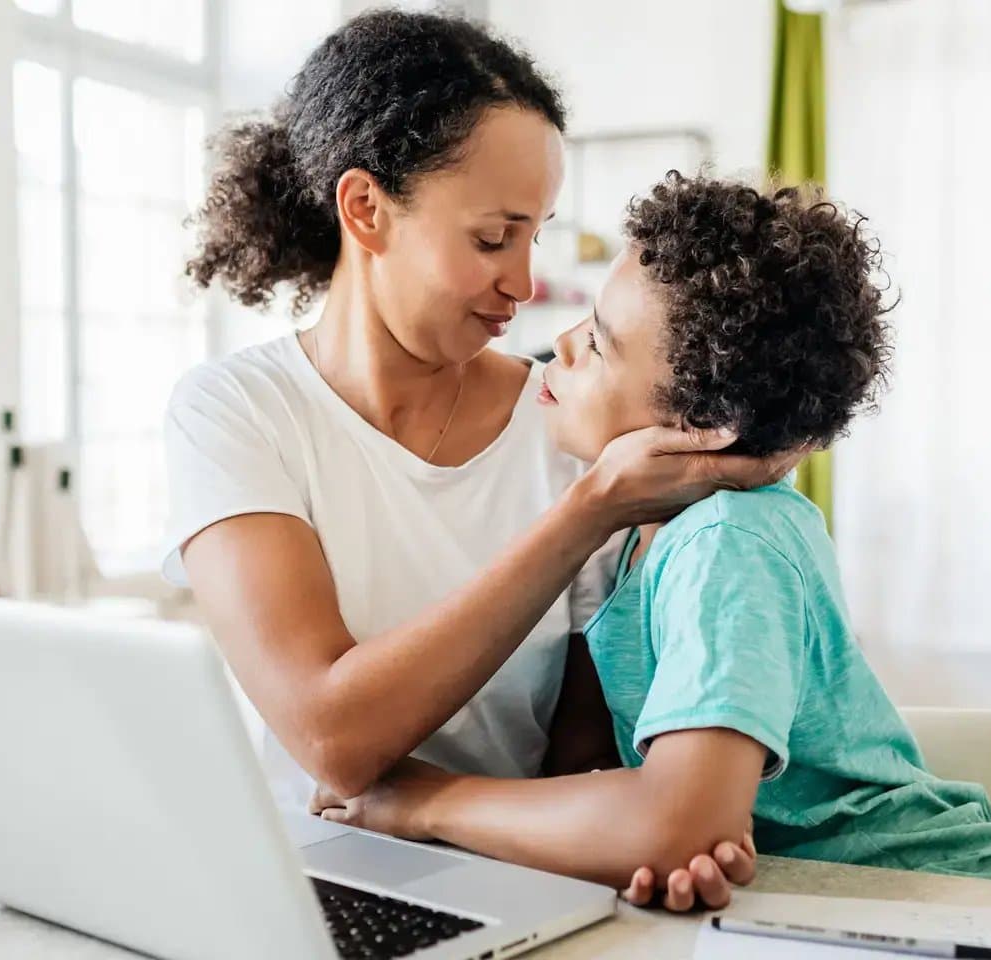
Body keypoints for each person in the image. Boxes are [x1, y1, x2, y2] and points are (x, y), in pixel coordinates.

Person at [163, 10, 794, 909]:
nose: (525, 283)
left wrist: (645, 844)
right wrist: (583, 518)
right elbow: (331, 741)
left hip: (514, 880)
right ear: (366, 210)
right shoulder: (234, 412)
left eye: (536, 235)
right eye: (493, 238)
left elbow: (583, 748)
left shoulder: (574, 427)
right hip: (301, 878)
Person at [310, 173, 991, 891]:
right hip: (816, 906)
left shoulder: (728, 541)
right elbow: (633, 800)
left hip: (957, 903)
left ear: (706, 425)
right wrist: (644, 832)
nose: (565, 345)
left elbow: (676, 824)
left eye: (603, 342)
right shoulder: (642, 537)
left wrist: (422, 801)